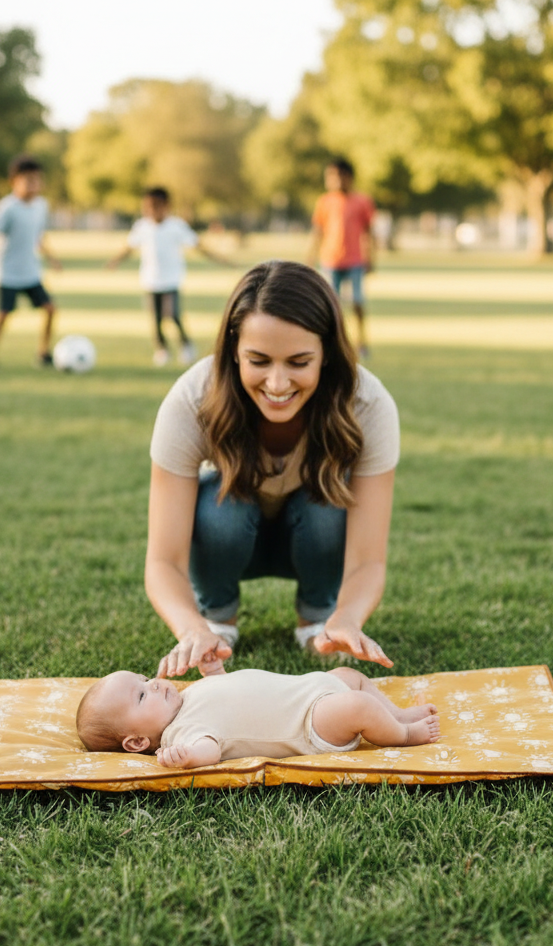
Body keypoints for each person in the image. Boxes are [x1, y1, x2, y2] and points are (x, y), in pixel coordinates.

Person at [145, 260, 400, 680]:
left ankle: (319, 619)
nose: (277, 384)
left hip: (315, 536)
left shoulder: (367, 405)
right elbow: (163, 561)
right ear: (234, 351)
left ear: (326, 355)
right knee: (221, 507)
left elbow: (368, 561)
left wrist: (348, 617)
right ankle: (217, 619)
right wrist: (191, 628)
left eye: (299, 362)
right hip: (227, 538)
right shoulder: (192, 400)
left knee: (325, 501)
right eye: (259, 360)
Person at [76, 666, 440, 768]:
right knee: (358, 705)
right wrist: (186, 758)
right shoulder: (181, 733)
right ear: (137, 742)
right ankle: (406, 735)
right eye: (142, 695)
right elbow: (210, 750)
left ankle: (398, 714)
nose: (154, 684)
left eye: (144, 679)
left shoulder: (186, 697)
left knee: (349, 676)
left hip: (311, 688)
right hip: (310, 724)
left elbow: (229, 693)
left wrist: (214, 672)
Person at [108, 186, 230, 366]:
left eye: (155, 206)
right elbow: (129, 247)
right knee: (156, 319)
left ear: (166, 206)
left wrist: (220, 259)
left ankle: (186, 345)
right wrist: (115, 261)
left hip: (171, 280)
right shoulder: (142, 226)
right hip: (150, 280)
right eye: (147, 207)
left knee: (173, 315)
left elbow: (197, 245)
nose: (151, 211)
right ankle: (162, 349)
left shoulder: (176, 226)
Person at [0, 154, 62, 377]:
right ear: (14, 181)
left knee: (50, 309)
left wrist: (52, 258)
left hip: (31, 271)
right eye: (29, 180)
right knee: (3, 315)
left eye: (37, 180)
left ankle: (43, 353)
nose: (34, 185)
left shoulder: (41, 205)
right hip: (8, 273)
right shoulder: (7, 208)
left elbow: (37, 236)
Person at [306, 157, 376, 358]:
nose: (332, 180)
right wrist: (310, 258)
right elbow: (318, 232)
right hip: (330, 260)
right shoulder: (324, 202)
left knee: (357, 302)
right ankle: (334, 344)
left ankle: (362, 342)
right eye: (329, 176)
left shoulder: (362, 201)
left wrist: (371, 258)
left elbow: (369, 233)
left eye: (336, 176)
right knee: (331, 305)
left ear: (348, 177)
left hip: (355, 260)